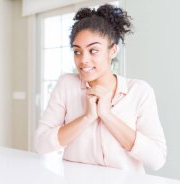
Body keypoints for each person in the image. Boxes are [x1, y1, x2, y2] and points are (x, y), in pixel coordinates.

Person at [34, 4, 166, 173]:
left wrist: (107, 115)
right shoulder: (66, 85)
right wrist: (87, 117)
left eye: (93, 50)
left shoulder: (139, 91)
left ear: (113, 51)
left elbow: (157, 159)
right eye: (77, 52)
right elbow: (41, 144)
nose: (83, 60)